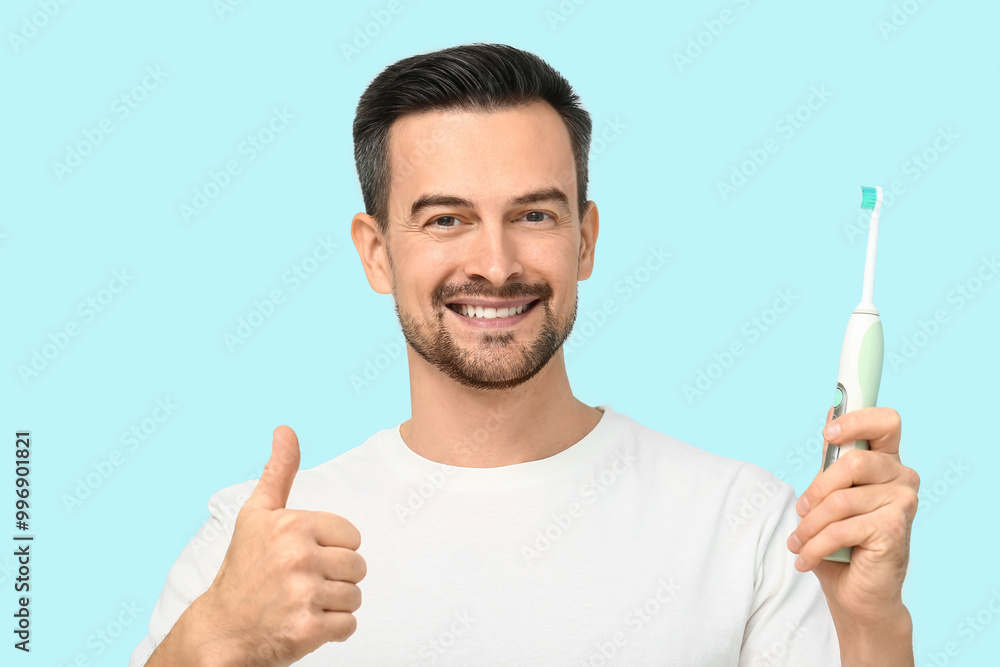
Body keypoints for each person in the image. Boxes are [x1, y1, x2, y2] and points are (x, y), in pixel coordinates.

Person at [130, 43, 919, 666]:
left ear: (586, 239)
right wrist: (213, 645)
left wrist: (871, 628)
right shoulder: (256, 545)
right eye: (446, 220)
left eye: (534, 215)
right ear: (375, 254)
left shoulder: (747, 527)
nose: (497, 263)